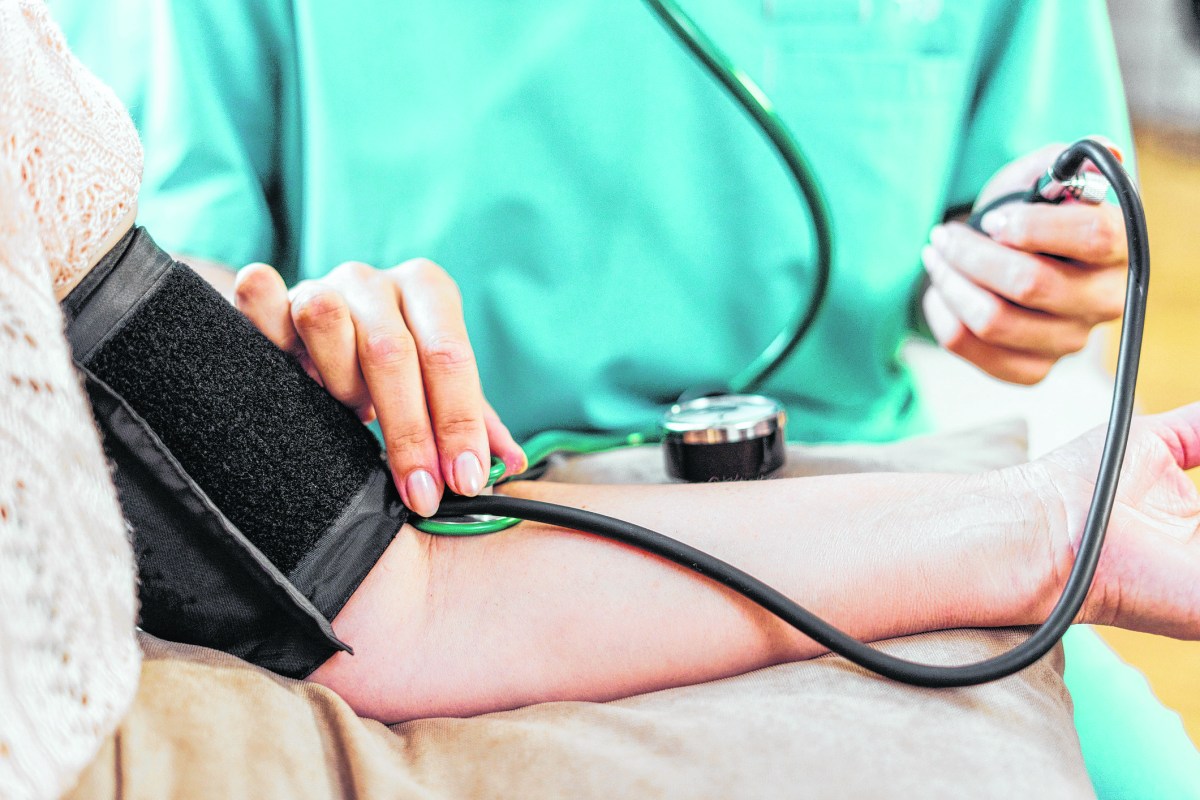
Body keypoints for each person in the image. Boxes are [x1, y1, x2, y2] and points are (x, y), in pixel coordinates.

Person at [3, 6, 1200, 797]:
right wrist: (299, 329)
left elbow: (1042, 207)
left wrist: (1023, 274)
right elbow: (157, 322)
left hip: (869, 494)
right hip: (453, 523)